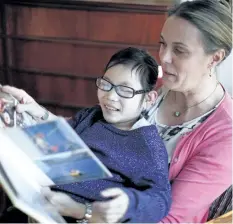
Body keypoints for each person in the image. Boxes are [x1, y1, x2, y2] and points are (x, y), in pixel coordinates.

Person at [1, 0, 232, 222]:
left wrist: (84, 212)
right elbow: (85, 132)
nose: (164, 57)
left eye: (180, 50)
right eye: (163, 44)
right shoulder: (150, 85)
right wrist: (36, 114)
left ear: (215, 58)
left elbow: (168, 215)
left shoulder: (225, 137)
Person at [1, 47, 172, 223]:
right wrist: (37, 113)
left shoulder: (147, 145)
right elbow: (65, 133)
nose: (111, 96)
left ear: (149, 99)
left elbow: (161, 198)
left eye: (126, 90)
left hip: (78, 216)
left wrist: (129, 202)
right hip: (40, 203)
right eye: (106, 84)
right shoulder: (92, 115)